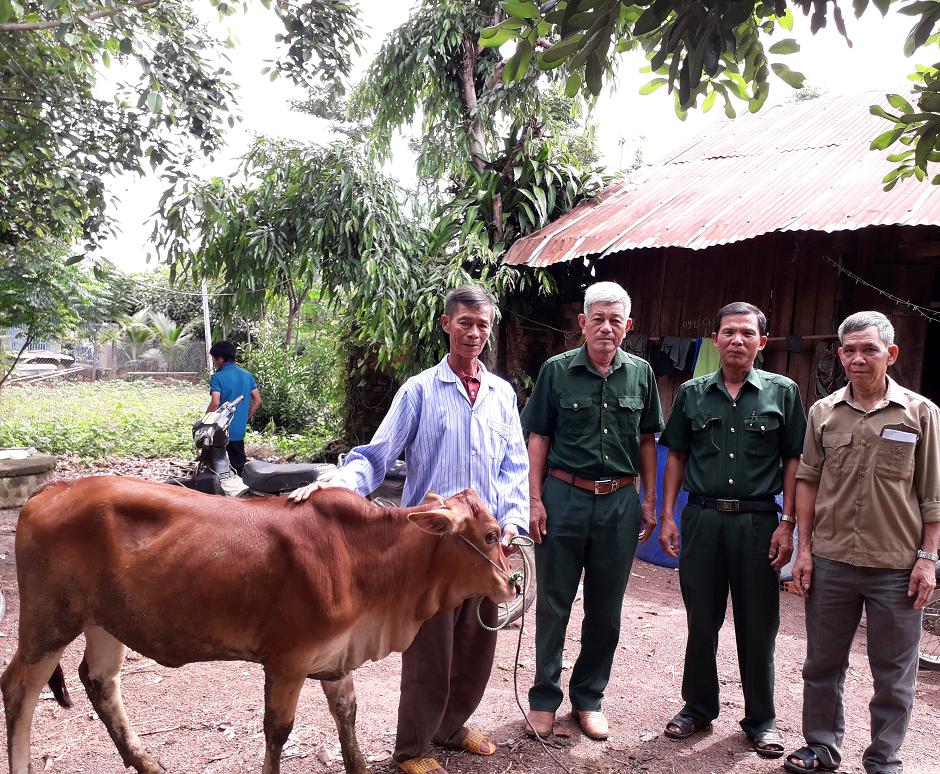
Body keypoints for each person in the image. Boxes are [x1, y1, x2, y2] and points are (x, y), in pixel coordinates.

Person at [288, 285, 529, 774]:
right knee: (430, 652)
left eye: (483, 325)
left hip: (485, 543)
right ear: (447, 326)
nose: (475, 333)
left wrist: (514, 520)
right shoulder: (419, 390)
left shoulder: (503, 394)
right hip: (434, 547)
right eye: (465, 323)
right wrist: (331, 485)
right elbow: (376, 457)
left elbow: (514, 466)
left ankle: (452, 725)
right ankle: (414, 748)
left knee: (478, 642)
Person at [787, 311, 940, 774]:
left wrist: (927, 558)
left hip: (896, 566)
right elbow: (808, 482)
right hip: (832, 561)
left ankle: (884, 758)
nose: (858, 359)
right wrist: (804, 550)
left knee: (894, 674)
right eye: (850, 351)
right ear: (840, 355)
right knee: (822, 665)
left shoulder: (920, 413)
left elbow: (932, 494)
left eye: (869, 349)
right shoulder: (823, 412)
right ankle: (820, 748)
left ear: (890, 354)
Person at [657, 301, 805, 758]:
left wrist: (789, 522)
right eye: (728, 332)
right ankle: (697, 707)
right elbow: (677, 454)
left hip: (759, 523)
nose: (736, 340)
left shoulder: (782, 392)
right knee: (702, 619)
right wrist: (667, 515)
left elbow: (794, 460)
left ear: (762, 342)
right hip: (702, 519)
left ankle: (762, 720)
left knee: (758, 625)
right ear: (716, 339)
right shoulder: (692, 393)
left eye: (746, 333)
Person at [520, 281, 663, 741]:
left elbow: (647, 440)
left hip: (619, 502)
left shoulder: (641, 374)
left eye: (614, 320)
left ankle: (589, 698)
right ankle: (544, 698)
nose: (605, 327)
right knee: (554, 602)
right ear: (582, 323)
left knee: (606, 608)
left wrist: (649, 499)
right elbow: (538, 437)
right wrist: (534, 498)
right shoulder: (556, 372)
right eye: (597, 318)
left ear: (628, 326)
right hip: (563, 496)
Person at [207, 340, 261, 474]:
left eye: (214, 359)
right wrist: (246, 417)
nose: (214, 362)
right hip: (238, 430)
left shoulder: (217, 377)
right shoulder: (247, 375)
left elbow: (215, 402)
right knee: (239, 466)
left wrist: (206, 420)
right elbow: (257, 400)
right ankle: (243, 491)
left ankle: (217, 491)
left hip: (220, 430)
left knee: (214, 465)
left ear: (220, 358)